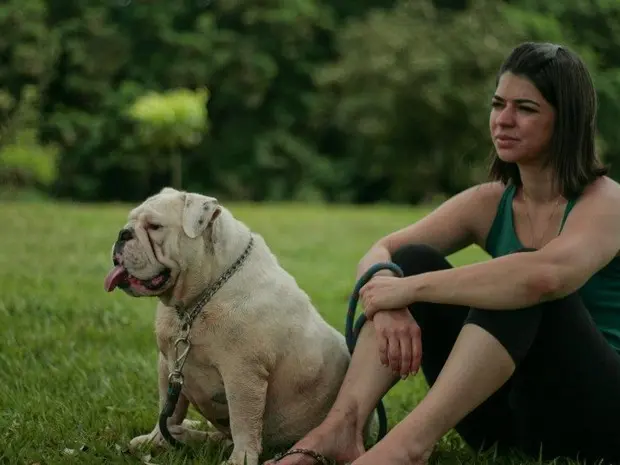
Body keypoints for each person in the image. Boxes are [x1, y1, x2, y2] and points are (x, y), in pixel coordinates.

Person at [265, 41, 620, 465]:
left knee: (515, 282)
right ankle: (340, 427)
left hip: (598, 420)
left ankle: (406, 448)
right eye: (497, 104)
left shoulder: (607, 203)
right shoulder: (492, 202)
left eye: (525, 108)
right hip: (504, 422)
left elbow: (546, 276)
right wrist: (389, 303)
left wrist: (411, 290)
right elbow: (381, 251)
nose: (503, 121)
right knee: (409, 258)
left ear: (567, 122)